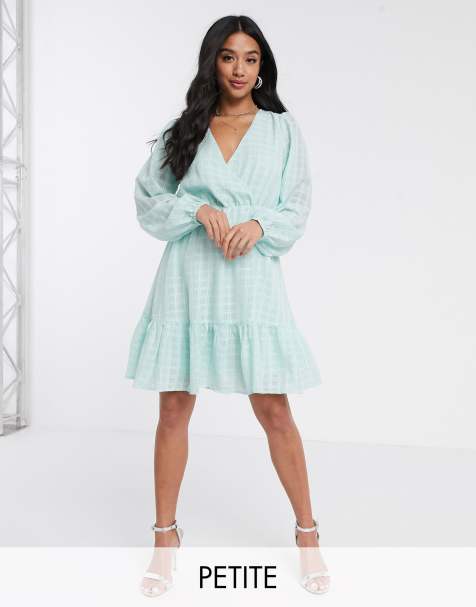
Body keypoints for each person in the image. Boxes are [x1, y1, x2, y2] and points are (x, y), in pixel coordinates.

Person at [125, 14, 331, 597]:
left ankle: (308, 533)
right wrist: (196, 209)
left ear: (262, 67)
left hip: (251, 275)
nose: (239, 69)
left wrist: (259, 224)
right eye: (228, 56)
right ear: (212, 61)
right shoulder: (183, 128)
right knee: (173, 408)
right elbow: (148, 199)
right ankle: (165, 536)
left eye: (250, 58)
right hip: (189, 274)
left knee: (273, 408)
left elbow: (297, 204)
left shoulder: (282, 130)